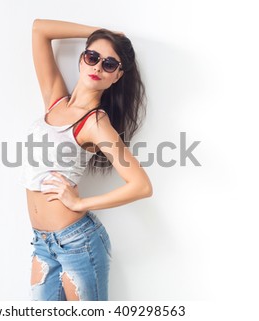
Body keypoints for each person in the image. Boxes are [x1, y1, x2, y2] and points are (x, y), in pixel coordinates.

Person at [19, 19, 153, 301]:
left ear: (117, 75)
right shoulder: (55, 99)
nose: (97, 67)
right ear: (82, 59)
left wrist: (80, 203)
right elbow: (39, 30)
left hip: (78, 243)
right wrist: (101, 33)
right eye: (92, 57)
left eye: (109, 64)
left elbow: (141, 185)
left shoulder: (95, 122)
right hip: (43, 243)